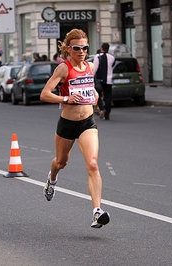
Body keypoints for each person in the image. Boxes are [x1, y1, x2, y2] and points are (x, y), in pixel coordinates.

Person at [39, 28, 110, 229]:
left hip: (87, 121)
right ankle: (51, 179)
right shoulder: (63, 68)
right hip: (68, 124)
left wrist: (95, 95)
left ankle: (97, 212)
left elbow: (88, 86)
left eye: (85, 47)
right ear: (68, 49)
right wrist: (65, 98)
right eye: (77, 48)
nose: (82, 51)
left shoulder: (89, 66)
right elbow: (45, 94)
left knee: (93, 164)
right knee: (61, 162)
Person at [93, 43, 115, 120]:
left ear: (102, 48)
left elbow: (94, 68)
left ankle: (102, 109)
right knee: (108, 97)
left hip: (99, 80)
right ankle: (107, 114)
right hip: (109, 80)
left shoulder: (98, 56)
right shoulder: (112, 57)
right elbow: (112, 67)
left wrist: (91, 78)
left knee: (97, 95)